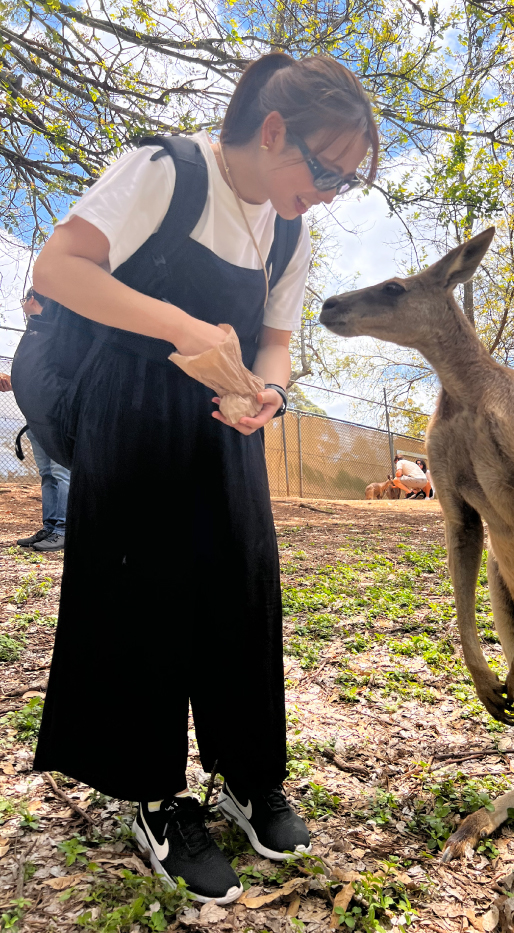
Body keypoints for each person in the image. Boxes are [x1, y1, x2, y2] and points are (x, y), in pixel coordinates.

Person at [30, 53, 378, 904]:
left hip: (227, 421)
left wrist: (271, 390)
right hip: (130, 402)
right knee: (143, 587)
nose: (328, 193)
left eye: (345, 182)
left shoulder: (290, 229)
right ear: (272, 132)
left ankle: (249, 775)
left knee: (243, 586)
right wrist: (186, 327)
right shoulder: (169, 171)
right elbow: (59, 267)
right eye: (325, 169)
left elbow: (278, 340)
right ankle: (153, 795)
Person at [2, 288, 71, 552]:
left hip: (53, 417)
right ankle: (51, 527)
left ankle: (64, 529)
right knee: (46, 473)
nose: (23, 305)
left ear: (33, 300)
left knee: (60, 471)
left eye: (24, 300)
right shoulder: (35, 333)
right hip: (35, 417)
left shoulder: (58, 331)